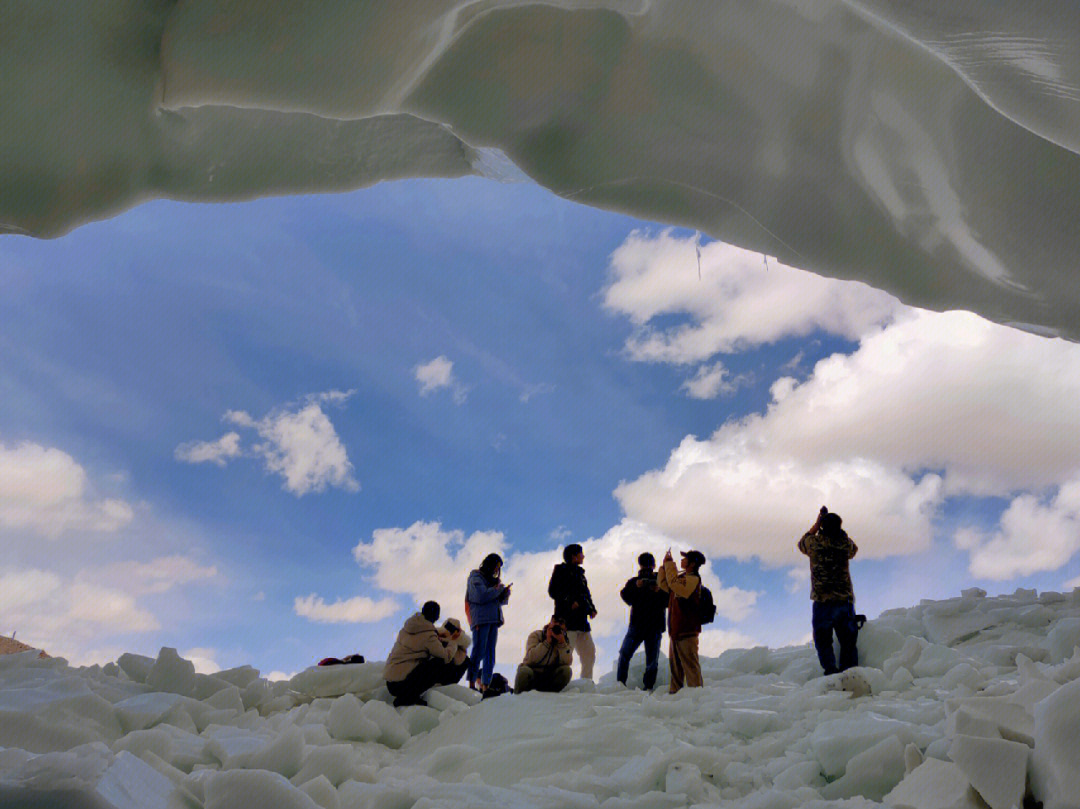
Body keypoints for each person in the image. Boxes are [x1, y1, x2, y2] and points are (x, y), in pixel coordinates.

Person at [798, 506, 860, 674]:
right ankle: (849, 674)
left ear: (823, 527)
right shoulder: (844, 544)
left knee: (823, 641)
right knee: (848, 642)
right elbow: (853, 549)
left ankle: (831, 671)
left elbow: (802, 542)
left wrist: (817, 524)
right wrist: (840, 532)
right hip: (844, 602)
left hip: (822, 602)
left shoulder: (814, 544)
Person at [384, 601, 468, 707]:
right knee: (438, 662)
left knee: (427, 662)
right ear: (437, 616)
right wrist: (453, 641)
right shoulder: (428, 636)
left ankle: (408, 695)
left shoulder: (408, 627)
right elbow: (446, 656)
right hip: (401, 685)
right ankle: (407, 698)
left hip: (390, 683)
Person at [616, 552, 668, 690]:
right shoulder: (634, 582)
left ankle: (647, 686)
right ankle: (621, 684)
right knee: (626, 654)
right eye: (646, 566)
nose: (647, 569)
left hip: (651, 626)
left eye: (648, 566)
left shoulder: (661, 581)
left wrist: (659, 591)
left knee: (650, 660)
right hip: (639, 626)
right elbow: (626, 597)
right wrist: (637, 587)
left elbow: (668, 601)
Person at [658, 548, 706, 693]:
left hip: (687, 631)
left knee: (690, 667)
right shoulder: (684, 578)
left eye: (685, 559)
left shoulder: (693, 579)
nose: (682, 561)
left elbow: (674, 585)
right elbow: (664, 584)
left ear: (692, 564)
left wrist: (670, 565)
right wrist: (664, 567)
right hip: (677, 631)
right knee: (676, 668)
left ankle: (697, 696)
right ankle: (675, 695)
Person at [547, 543, 597, 679]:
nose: (583, 556)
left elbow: (586, 593)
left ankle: (586, 683)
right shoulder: (560, 571)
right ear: (573, 556)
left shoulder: (581, 574)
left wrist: (591, 608)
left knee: (589, 653)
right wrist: (569, 601)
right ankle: (558, 682)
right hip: (566, 621)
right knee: (564, 655)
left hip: (582, 621)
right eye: (581, 553)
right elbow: (553, 591)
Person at [465, 553, 511, 692]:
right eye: (496, 567)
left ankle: (486, 685)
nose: (497, 570)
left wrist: (504, 594)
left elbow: (496, 600)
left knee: (490, 653)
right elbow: (481, 596)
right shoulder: (475, 577)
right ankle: (472, 683)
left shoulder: (492, 581)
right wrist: (497, 590)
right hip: (481, 619)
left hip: (493, 619)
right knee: (478, 651)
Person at [514, 616, 573, 693]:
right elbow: (531, 658)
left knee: (566, 671)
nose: (557, 625)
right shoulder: (536, 635)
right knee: (524, 671)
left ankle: (554, 698)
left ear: (565, 628)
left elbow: (568, 662)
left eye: (561, 623)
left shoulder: (565, 641)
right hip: (533, 673)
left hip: (550, 676)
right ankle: (518, 699)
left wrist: (561, 644)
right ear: (550, 623)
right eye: (555, 622)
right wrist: (547, 642)